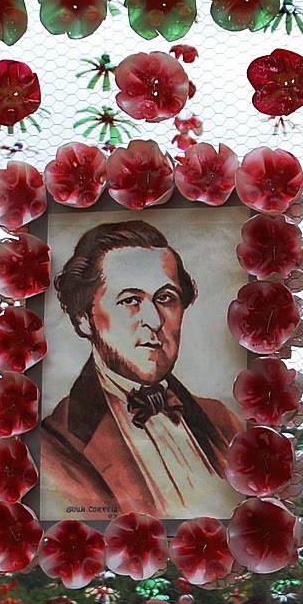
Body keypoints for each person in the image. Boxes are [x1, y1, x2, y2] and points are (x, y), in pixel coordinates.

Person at [40, 220, 243, 520]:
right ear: (84, 320)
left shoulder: (224, 422)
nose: (154, 320)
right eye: (131, 300)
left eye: (165, 298)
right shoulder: (53, 448)